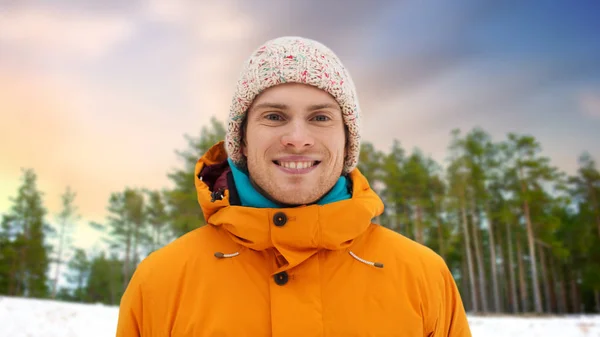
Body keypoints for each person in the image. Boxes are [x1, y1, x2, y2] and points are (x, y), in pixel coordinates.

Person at [116, 36, 472, 336]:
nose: (297, 139)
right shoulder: (161, 282)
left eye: (320, 117)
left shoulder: (423, 277)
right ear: (240, 138)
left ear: (348, 140)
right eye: (274, 116)